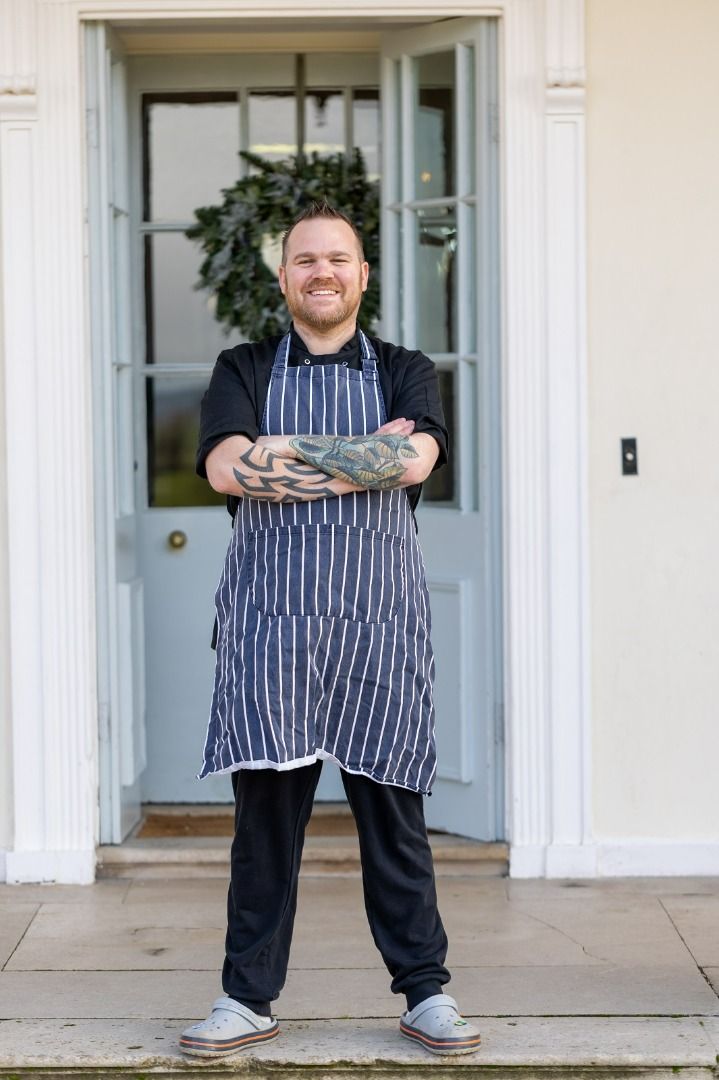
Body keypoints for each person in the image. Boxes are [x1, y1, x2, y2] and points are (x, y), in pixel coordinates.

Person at [179, 202, 481, 1059]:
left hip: (377, 627)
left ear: (362, 274)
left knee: (394, 823)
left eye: (337, 258)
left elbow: (414, 458)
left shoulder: (404, 368)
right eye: (304, 260)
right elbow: (224, 469)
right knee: (264, 828)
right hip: (269, 631)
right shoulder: (240, 365)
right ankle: (245, 998)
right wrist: (361, 458)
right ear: (284, 279)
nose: (322, 272)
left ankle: (426, 993)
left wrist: (280, 455)